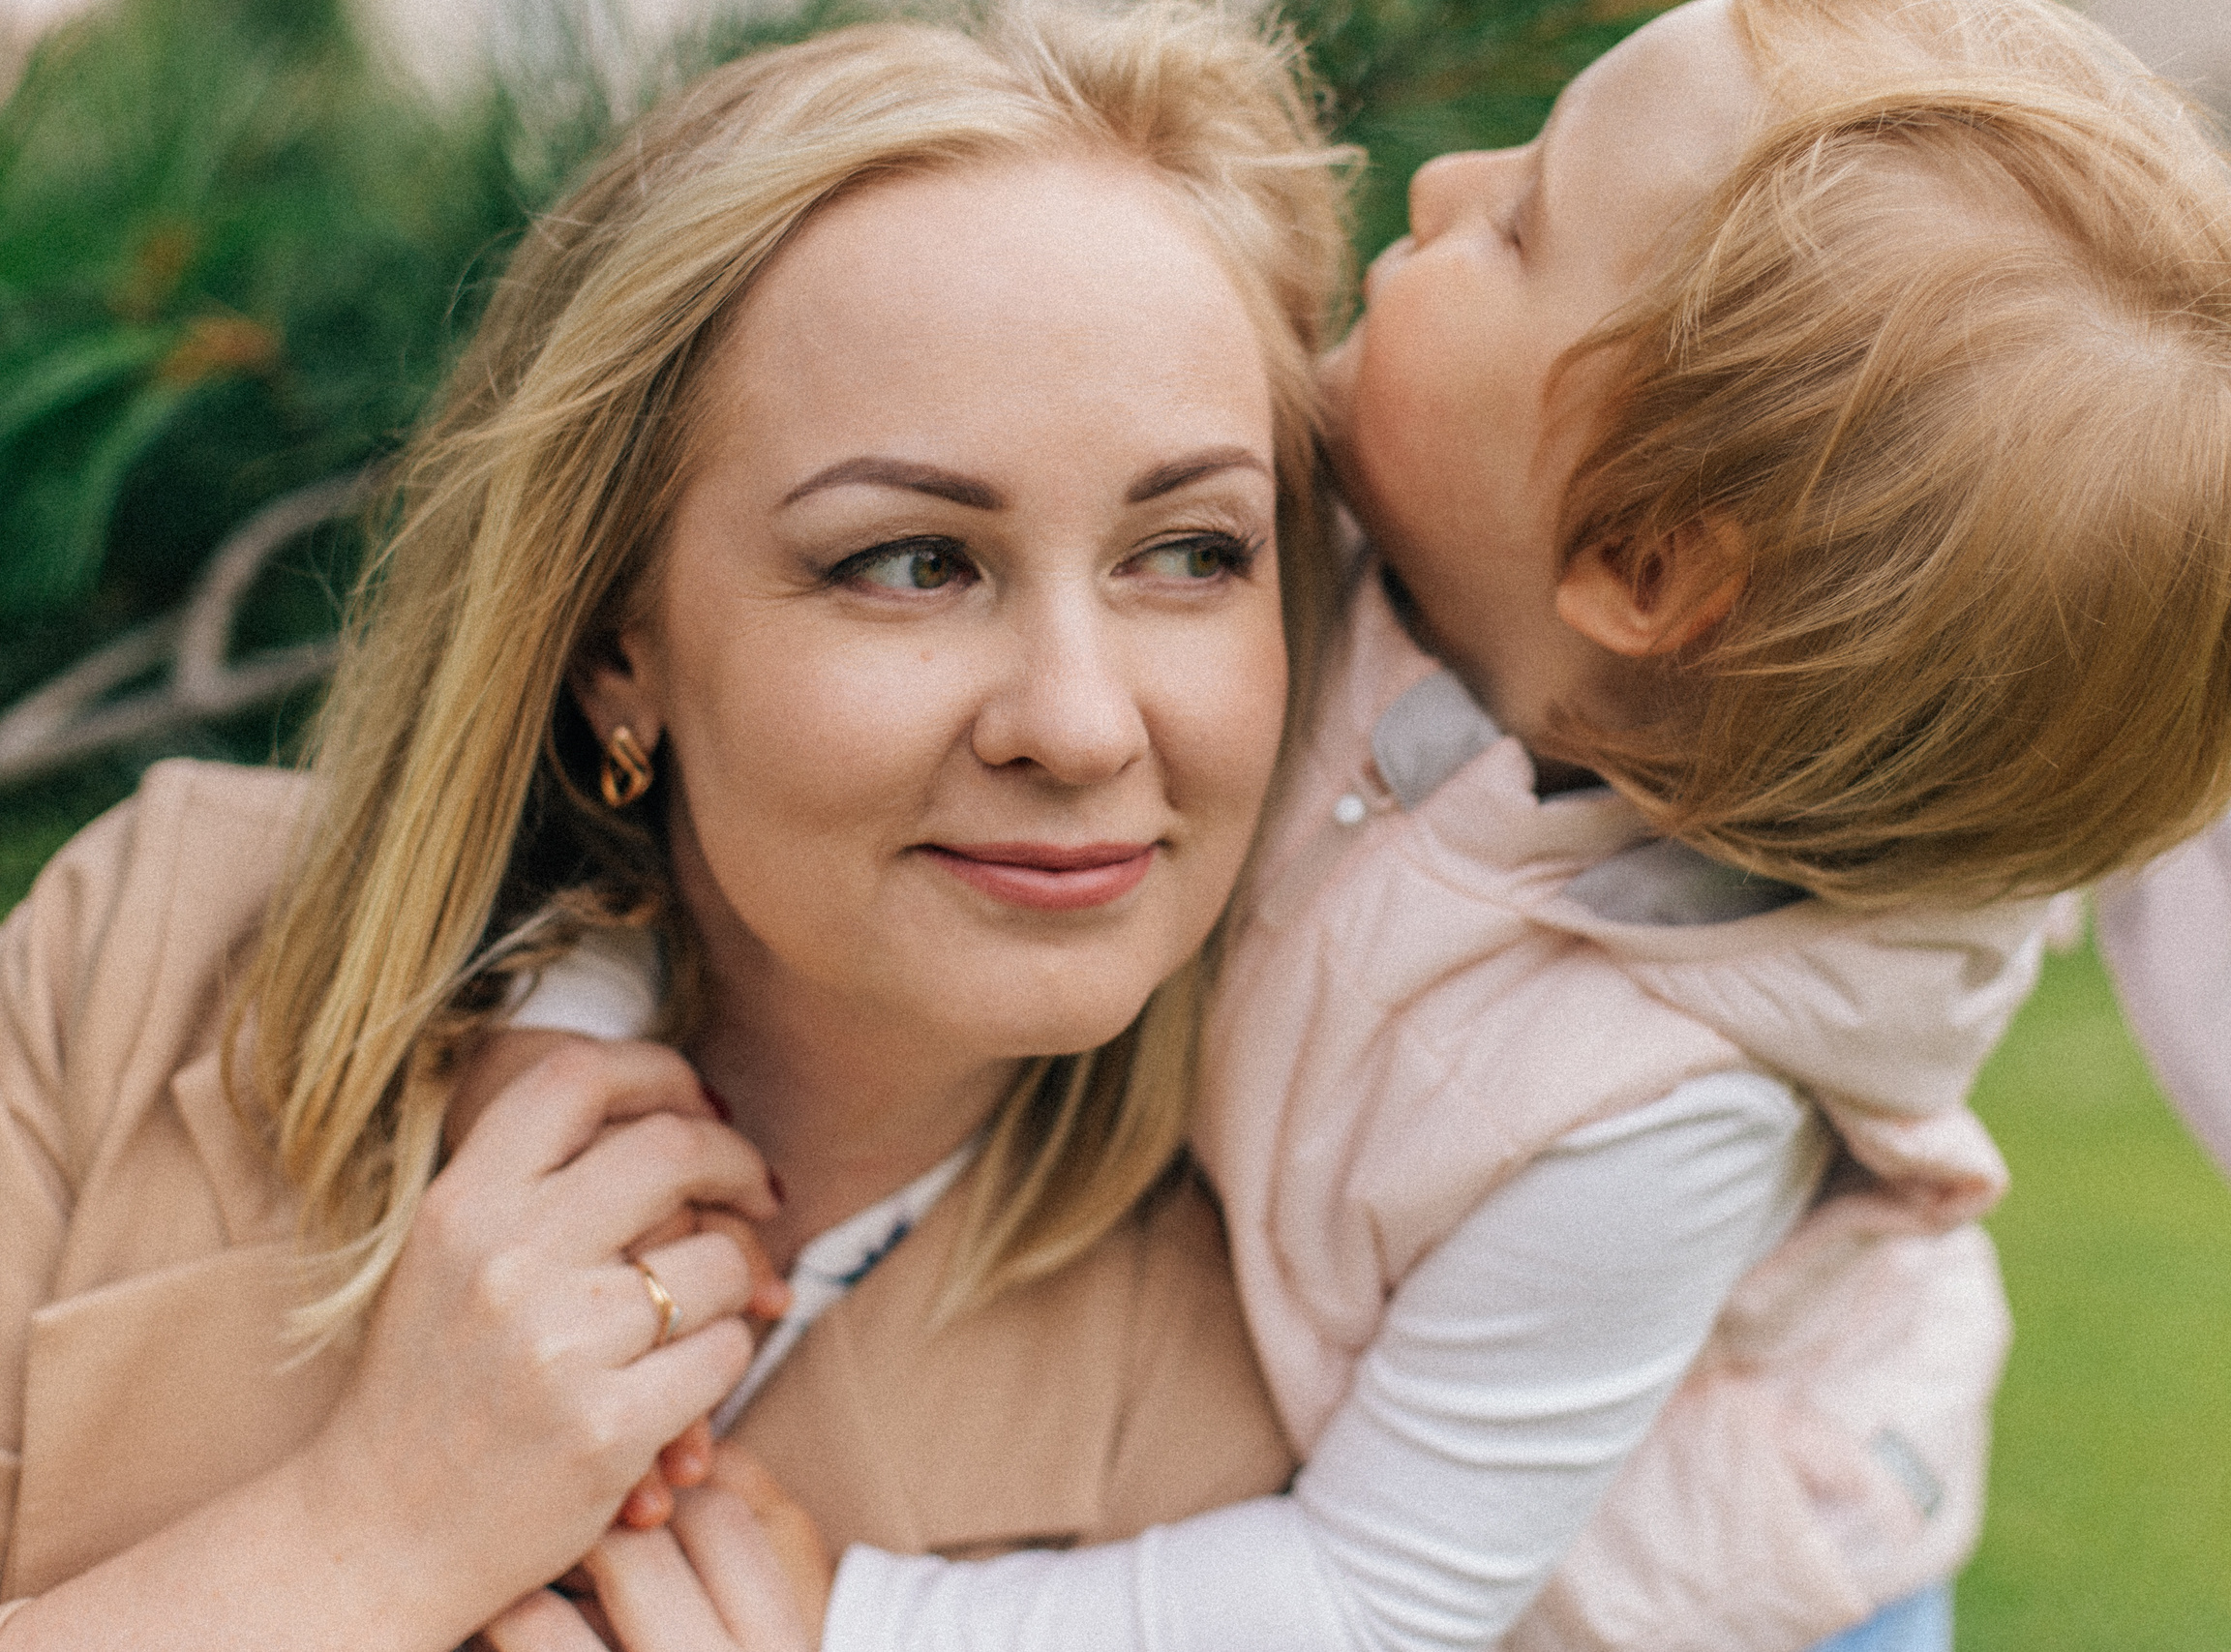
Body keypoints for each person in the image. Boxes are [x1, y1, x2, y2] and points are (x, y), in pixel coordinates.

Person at [494, 0, 2231, 1648]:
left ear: (1637, 562)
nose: (1439, 179)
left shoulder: (1644, 1119)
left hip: (1703, 1602)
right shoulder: (1413, 555)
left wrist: (851, 1620)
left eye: (1523, 221)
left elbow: (1372, 1600)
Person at [0, 6, 1357, 1646]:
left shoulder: (1287, 1410)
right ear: (613, 642)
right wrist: (362, 1541)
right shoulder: (142, 958)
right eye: (913, 560)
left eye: (1194, 551)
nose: (1078, 723)